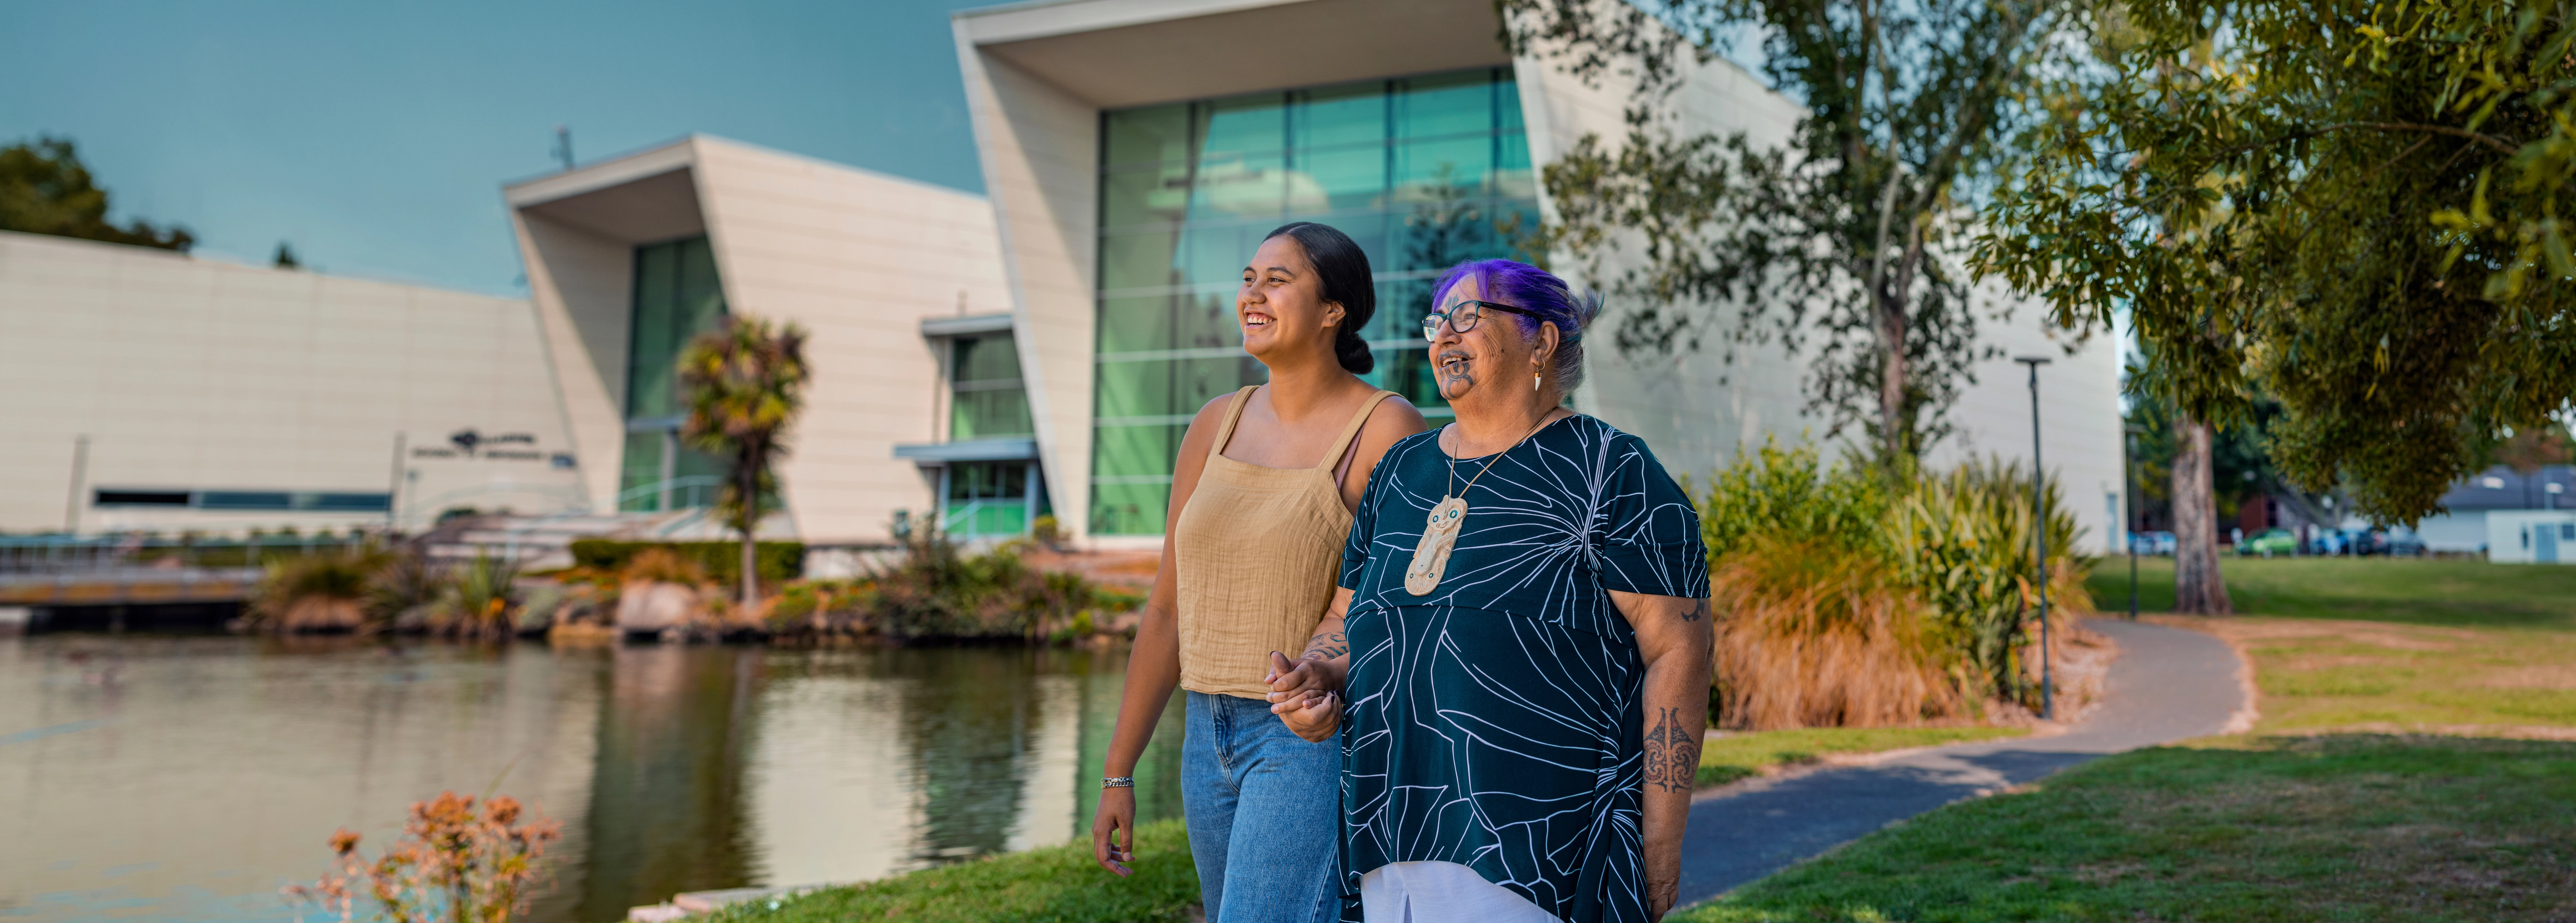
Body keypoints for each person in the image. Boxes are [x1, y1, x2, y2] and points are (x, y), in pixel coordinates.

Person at [1269, 259, 1714, 922]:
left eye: (1468, 317)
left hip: (1536, 859)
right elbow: (1348, 615)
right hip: (1390, 845)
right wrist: (1316, 675)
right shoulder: (1401, 470)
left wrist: (1662, 839)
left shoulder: (1611, 472)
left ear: (1541, 338)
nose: (1444, 335)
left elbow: (1678, 654)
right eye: (1436, 321)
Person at [1090, 221, 1429, 923]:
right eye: (1249, 278)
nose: (1254, 293)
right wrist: (1118, 771)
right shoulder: (1216, 421)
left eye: (1278, 280)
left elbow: (1394, 607)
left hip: (1305, 737)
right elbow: (1166, 611)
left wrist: (1324, 678)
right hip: (1203, 734)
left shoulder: (1386, 426)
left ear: (1333, 309)